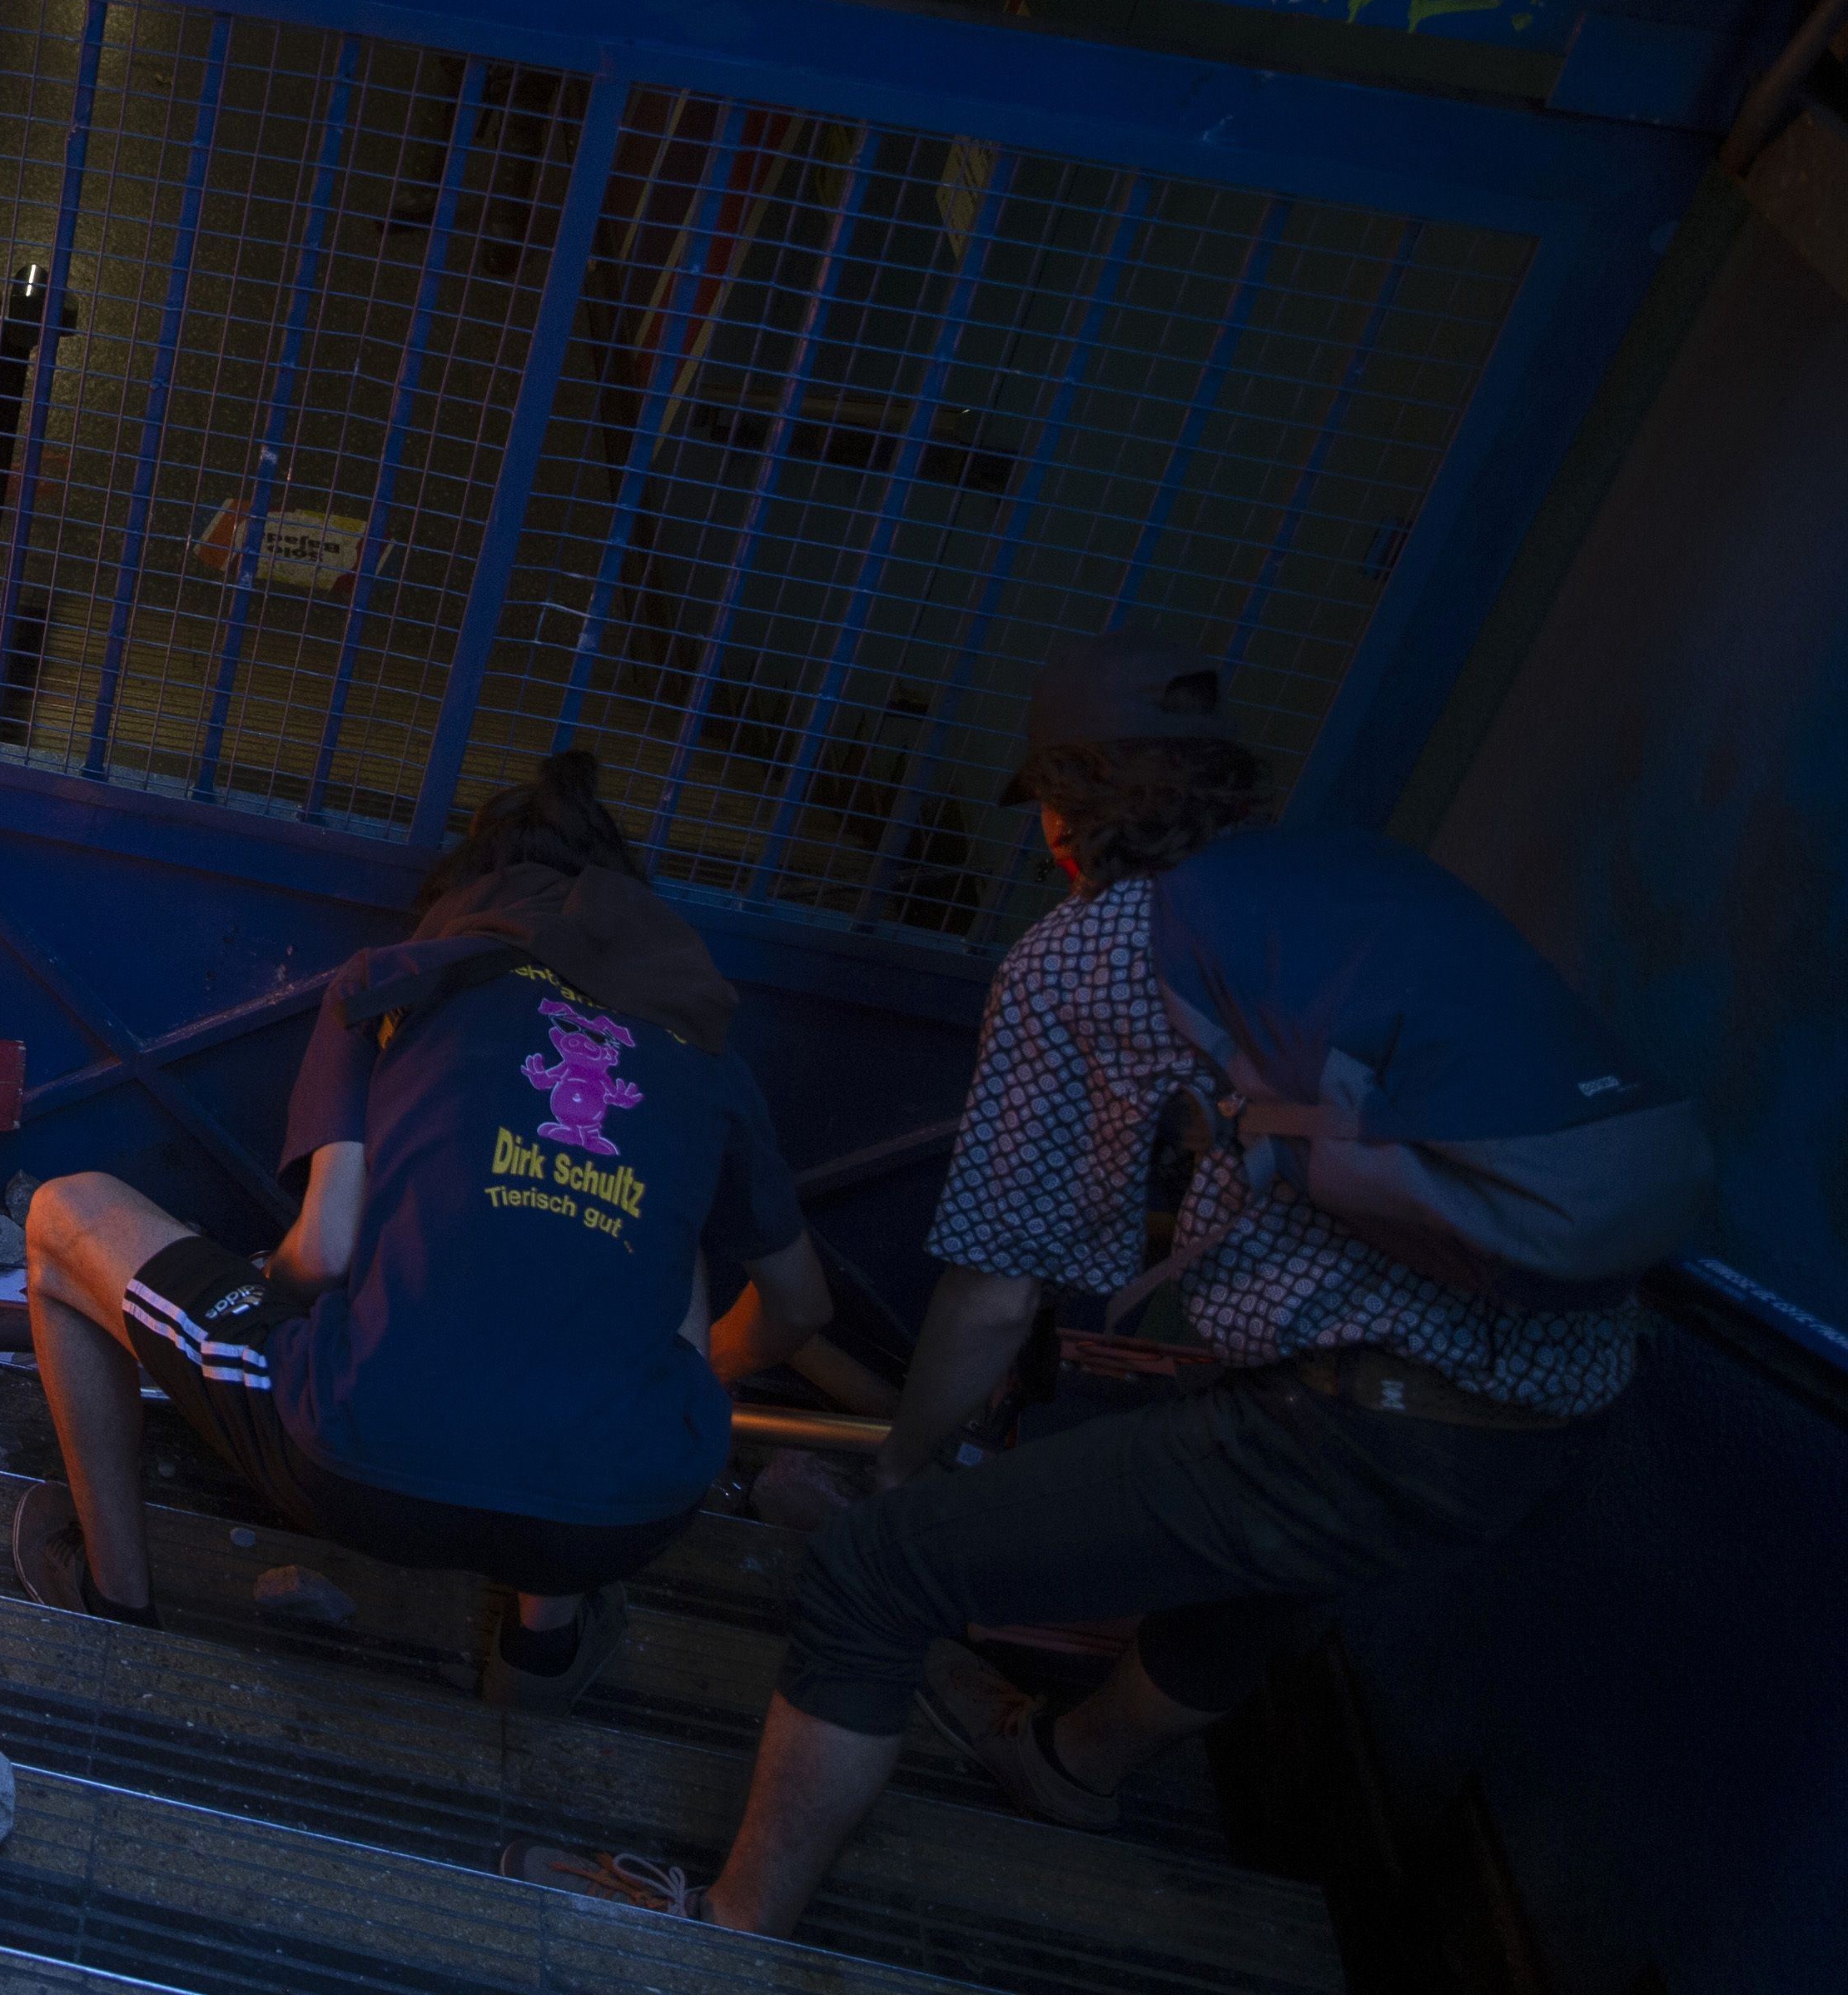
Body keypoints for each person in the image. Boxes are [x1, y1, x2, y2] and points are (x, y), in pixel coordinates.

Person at [500, 629, 1650, 1928]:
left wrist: (898, 1474)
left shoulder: (1093, 950)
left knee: (878, 1574)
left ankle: (726, 1931)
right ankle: (1071, 1764)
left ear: (1066, 818)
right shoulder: (1362, 879)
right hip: (1567, 1393)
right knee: (1271, 1554)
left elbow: (1000, 1289)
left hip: (1364, 1418)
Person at [0, 748, 829, 1708]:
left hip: (367, 1458)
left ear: (474, 891)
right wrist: (669, 1386)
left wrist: (262, 1290)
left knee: (67, 1218)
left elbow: (322, 1255)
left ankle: (114, 1597)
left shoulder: (399, 981)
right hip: (634, 1508)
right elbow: (798, 1307)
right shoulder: (701, 1056)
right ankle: (544, 1651)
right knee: (628, 1261)